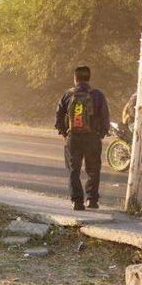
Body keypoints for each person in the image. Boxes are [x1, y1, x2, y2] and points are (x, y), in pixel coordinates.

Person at [55, 66, 110, 210]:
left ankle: (77, 202)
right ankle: (92, 200)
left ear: (75, 78)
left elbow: (58, 116)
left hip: (73, 138)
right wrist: (101, 134)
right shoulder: (97, 95)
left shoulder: (67, 95)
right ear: (89, 78)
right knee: (93, 170)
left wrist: (65, 133)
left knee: (74, 170)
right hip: (92, 137)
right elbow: (105, 117)